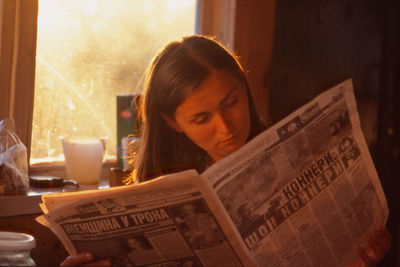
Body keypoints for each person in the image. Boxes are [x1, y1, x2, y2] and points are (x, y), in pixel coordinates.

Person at [60, 35, 391, 266]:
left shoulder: (300, 157)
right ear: (173, 123)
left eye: (231, 102)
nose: (225, 127)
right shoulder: (155, 186)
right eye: (201, 118)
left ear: (244, 87)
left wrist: (361, 257)